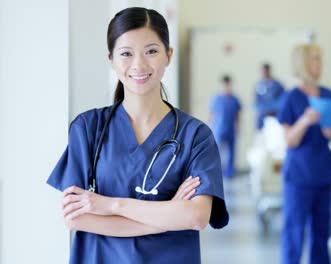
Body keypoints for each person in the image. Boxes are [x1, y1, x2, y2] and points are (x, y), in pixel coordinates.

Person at [46, 7, 228, 264]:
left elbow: (195, 217)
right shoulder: (88, 128)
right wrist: (168, 214)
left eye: (151, 51)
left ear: (169, 55)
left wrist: (109, 206)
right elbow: (76, 217)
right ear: (111, 59)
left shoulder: (195, 135)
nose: (139, 65)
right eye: (126, 54)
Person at [277, 44, 331, 264]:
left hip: (323, 173)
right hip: (299, 176)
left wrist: (329, 127)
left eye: (320, 59)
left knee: (321, 233)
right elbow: (290, 141)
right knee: (294, 232)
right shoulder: (291, 97)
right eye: (315, 59)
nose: (319, 64)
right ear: (302, 63)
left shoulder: (328, 94)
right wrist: (305, 121)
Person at [209, 75, 242, 179]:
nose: (226, 87)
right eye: (224, 85)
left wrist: (238, 127)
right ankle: (217, 171)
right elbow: (211, 115)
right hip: (218, 129)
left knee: (231, 151)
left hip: (230, 129)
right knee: (217, 151)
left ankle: (229, 172)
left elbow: (237, 115)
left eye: (228, 85)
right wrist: (210, 128)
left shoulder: (235, 99)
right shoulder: (216, 99)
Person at [254, 63, 285, 130]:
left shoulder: (278, 85)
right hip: (262, 120)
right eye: (263, 71)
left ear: (269, 71)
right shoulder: (259, 86)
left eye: (266, 71)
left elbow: (282, 101)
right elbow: (257, 103)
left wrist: (272, 109)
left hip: (275, 119)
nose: (265, 73)